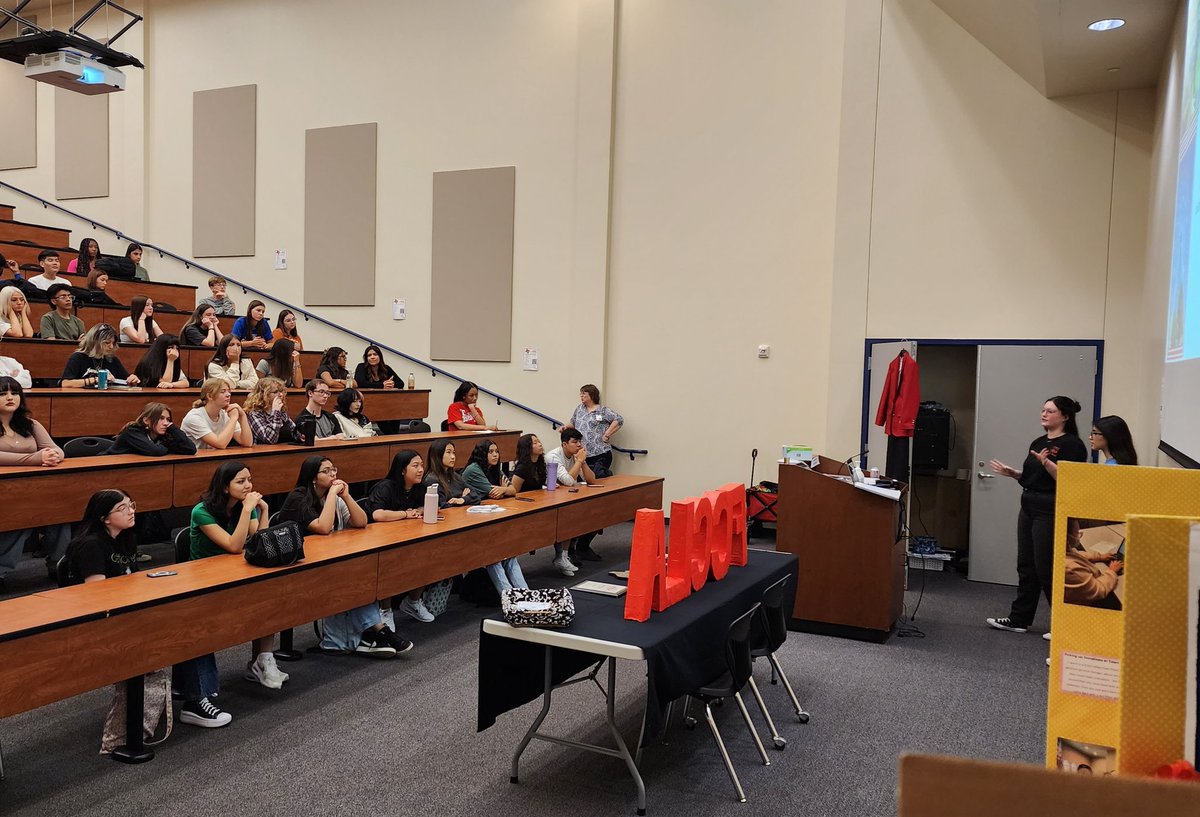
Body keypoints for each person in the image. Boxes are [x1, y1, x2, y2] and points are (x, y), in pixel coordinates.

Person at [277, 456, 413, 656]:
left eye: (334, 470)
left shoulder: (334, 497)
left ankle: (372, 632)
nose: (333, 474)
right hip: (299, 565)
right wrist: (333, 494)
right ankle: (377, 630)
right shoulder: (299, 498)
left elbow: (360, 522)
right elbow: (323, 528)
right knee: (352, 578)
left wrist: (347, 497)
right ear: (313, 477)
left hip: (329, 560)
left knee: (360, 574)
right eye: (326, 471)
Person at [986, 396, 1088, 635]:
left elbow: (1068, 480)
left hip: (1050, 507)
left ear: (1065, 416)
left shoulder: (1073, 444)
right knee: (1026, 564)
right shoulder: (1039, 440)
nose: (1044, 414)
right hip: (1029, 504)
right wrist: (1014, 473)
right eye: (1043, 410)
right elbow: (1033, 477)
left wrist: (1048, 464)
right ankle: (1019, 619)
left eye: (1050, 411)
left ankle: (1064, 626)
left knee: (1046, 567)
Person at [190, 461, 284, 691]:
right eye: (240, 481)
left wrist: (264, 510)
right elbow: (234, 545)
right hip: (206, 576)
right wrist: (246, 509)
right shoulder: (201, 511)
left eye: (249, 480)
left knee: (269, 596)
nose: (248, 486)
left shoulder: (247, 505)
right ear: (224, 487)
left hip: (237, 570)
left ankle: (263, 660)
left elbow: (260, 539)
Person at [0, 377, 69, 589]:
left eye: (15, 393)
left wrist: (52, 456)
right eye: (3, 393)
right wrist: (35, 458)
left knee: (61, 513)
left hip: (36, 486)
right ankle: (1, 572)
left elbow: (58, 450)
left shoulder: (30, 424)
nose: (10, 397)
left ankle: (59, 564)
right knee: (20, 518)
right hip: (5, 490)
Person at [364, 450, 437, 622]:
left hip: (408, 536)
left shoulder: (421, 486)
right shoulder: (385, 487)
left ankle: (413, 601)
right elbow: (378, 515)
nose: (420, 469)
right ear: (402, 470)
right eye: (415, 466)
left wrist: (419, 510)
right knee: (391, 564)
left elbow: (429, 505)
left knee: (429, 554)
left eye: (421, 465)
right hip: (380, 540)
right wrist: (405, 514)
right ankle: (385, 610)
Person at [462, 440, 527, 593]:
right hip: (471, 519)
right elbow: (495, 493)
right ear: (482, 454)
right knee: (495, 556)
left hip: (488, 515)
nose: (495, 455)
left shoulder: (494, 468)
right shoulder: (474, 469)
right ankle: (509, 597)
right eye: (490, 452)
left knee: (509, 554)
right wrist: (504, 489)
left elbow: (513, 490)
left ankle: (525, 594)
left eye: (496, 451)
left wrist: (504, 490)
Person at [510, 433, 575, 576]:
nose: (539, 444)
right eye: (534, 442)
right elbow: (513, 490)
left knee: (564, 516)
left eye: (539, 441)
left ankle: (561, 556)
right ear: (527, 448)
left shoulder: (541, 463)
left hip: (539, 503)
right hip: (524, 507)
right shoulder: (522, 467)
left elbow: (540, 484)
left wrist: (549, 485)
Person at [546, 427, 601, 566]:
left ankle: (579, 548)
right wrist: (578, 461)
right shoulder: (553, 456)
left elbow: (592, 480)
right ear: (564, 444)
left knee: (598, 510)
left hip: (570, 496)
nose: (579, 445)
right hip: (553, 499)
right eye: (575, 442)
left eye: (580, 442)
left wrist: (583, 462)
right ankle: (566, 552)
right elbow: (569, 481)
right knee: (571, 517)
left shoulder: (577, 456)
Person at [563, 384, 624, 477]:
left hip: (600, 453)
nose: (581, 396)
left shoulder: (602, 410)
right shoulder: (580, 409)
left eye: (584, 394)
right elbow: (573, 422)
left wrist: (607, 434)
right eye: (581, 394)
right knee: (585, 480)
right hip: (584, 454)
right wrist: (565, 427)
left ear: (592, 395)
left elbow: (619, 420)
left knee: (598, 478)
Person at [180, 378, 252, 450]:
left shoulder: (225, 414)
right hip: (194, 459)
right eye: (223, 392)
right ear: (210, 396)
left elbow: (247, 443)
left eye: (228, 391)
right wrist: (233, 418)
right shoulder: (194, 417)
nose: (228, 395)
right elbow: (220, 444)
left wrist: (243, 416)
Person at [61, 324, 141, 387]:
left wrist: (132, 380)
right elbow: (65, 383)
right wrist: (95, 380)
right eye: (107, 342)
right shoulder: (78, 357)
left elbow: (126, 380)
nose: (111, 347)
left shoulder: (113, 360)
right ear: (95, 341)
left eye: (113, 343)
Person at [110, 402, 197, 456]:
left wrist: (173, 428)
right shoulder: (132, 431)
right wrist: (167, 447)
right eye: (161, 418)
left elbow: (191, 449)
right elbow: (155, 450)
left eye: (168, 419)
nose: (166, 423)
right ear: (147, 420)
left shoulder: (162, 436)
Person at [244, 376, 302, 444]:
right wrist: (275, 412)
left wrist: (301, 436)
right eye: (275, 392)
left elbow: (294, 431)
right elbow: (270, 439)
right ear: (264, 395)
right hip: (264, 453)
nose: (280, 395)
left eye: (281, 391)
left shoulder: (281, 411)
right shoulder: (254, 413)